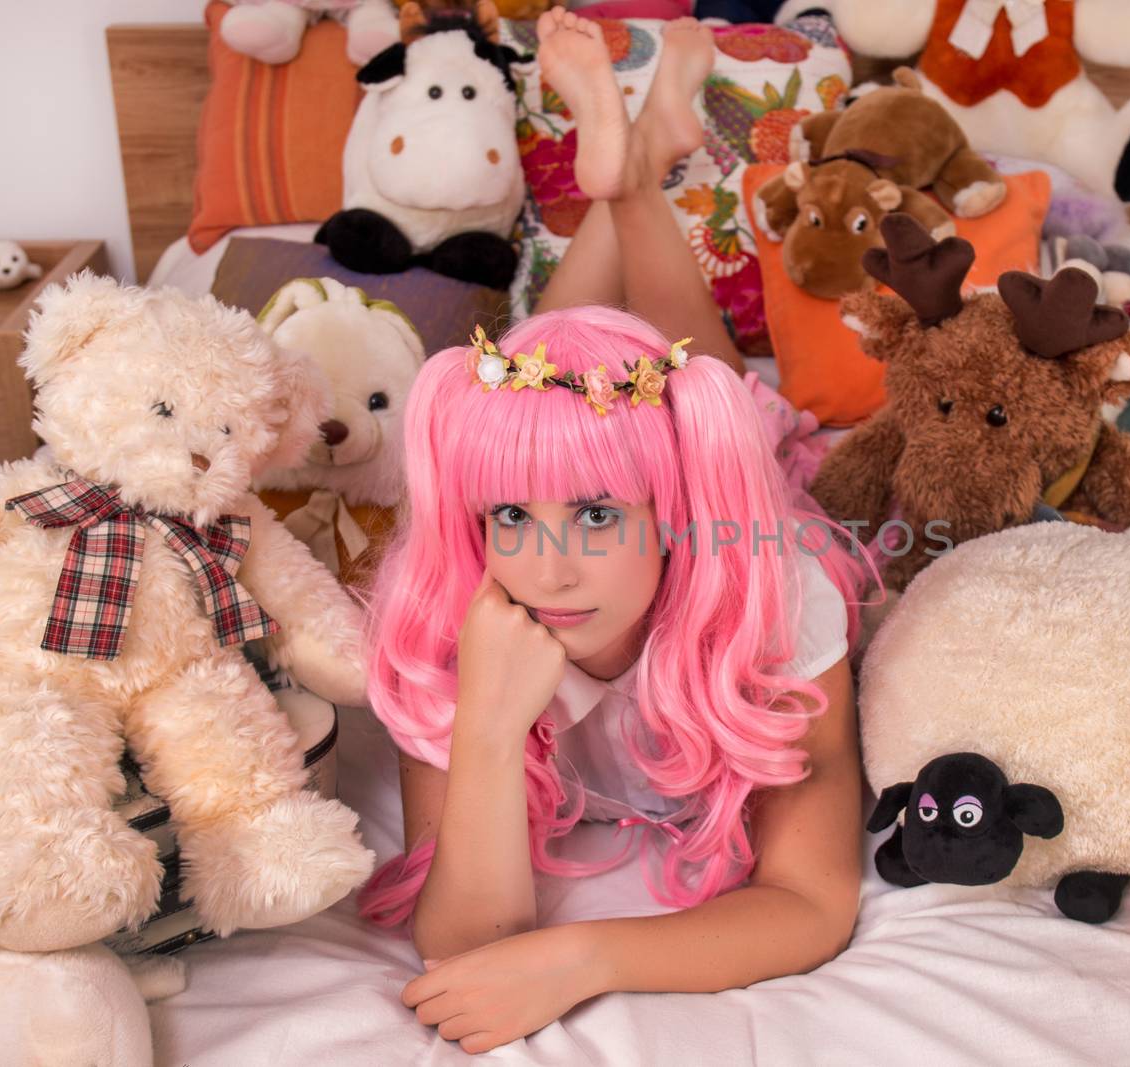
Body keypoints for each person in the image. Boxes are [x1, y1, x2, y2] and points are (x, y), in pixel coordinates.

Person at [358, 9, 873, 1053]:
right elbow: (462, 935)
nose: (546, 565)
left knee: (708, 395)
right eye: (510, 514)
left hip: (724, 498)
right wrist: (490, 727)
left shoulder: (780, 600)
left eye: (595, 516)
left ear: (665, 515)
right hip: (611, 433)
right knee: (559, 377)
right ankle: (635, 163)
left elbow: (812, 900)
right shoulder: (453, 609)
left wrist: (587, 955)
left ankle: (633, 170)